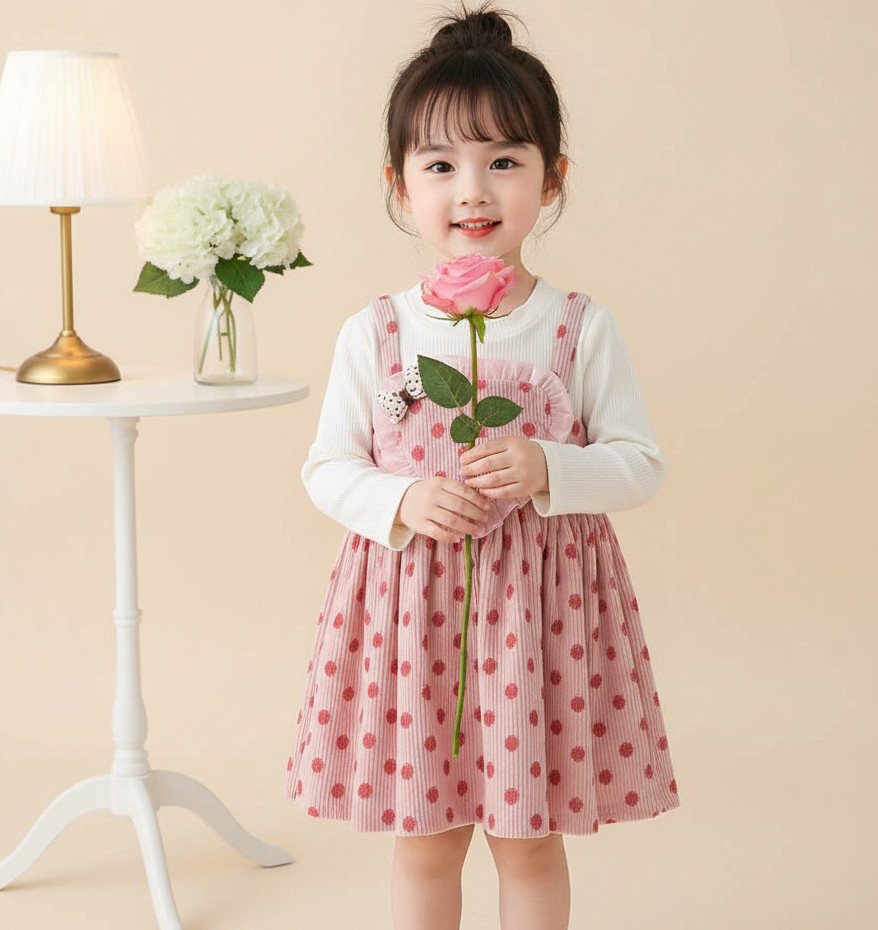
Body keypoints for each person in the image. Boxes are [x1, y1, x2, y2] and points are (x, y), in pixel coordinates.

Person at [283, 4, 681, 928]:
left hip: (542, 625)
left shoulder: (577, 326)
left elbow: (639, 463)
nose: (473, 190)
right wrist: (402, 498)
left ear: (552, 178)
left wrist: (549, 468)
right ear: (398, 184)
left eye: (504, 161)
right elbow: (328, 467)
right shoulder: (377, 331)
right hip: (412, 622)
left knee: (527, 840)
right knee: (425, 841)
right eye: (440, 165)